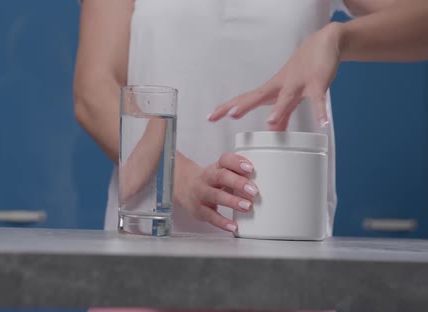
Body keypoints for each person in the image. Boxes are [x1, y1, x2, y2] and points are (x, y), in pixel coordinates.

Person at [74, 0, 428, 310]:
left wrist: (339, 39)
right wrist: (181, 179)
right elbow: (94, 90)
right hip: (148, 254)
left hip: (286, 259)